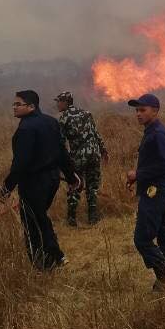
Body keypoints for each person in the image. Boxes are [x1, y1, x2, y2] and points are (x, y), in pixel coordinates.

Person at [0, 90, 80, 270]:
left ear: (31, 106)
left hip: (34, 182)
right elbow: (61, 152)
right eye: (14, 104)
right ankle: (56, 256)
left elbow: (20, 163)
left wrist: (6, 188)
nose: (14, 107)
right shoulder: (51, 122)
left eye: (18, 104)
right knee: (40, 216)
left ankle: (45, 264)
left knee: (32, 224)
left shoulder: (26, 128)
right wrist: (71, 175)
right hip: (52, 181)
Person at [126, 93, 165, 289]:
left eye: (142, 110)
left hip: (156, 191)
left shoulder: (158, 134)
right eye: (136, 110)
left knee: (142, 239)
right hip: (156, 188)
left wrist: (138, 174)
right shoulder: (151, 131)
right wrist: (139, 177)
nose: (138, 114)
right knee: (164, 233)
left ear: (155, 111)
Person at [55, 90, 108, 227]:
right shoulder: (87, 113)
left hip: (78, 157)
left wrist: (63, 161)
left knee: (75, 185)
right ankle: (93, 217)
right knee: (93, 186)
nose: (57, 104)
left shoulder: (64, 118)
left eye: (59, 101)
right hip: (94, 155)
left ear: (65, 102)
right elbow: (96, 134)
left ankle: (71, 219)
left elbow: (60, 142)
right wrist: (103, 151)